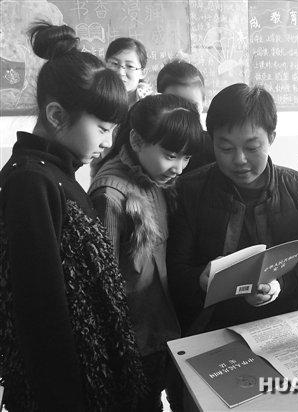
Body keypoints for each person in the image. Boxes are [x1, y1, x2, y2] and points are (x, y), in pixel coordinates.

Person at [0, 21, 144, 411]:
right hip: (68, 391)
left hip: (92, 374)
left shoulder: (56, 172)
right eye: (102, 128)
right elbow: (40, 311)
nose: (107, 142)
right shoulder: (31, 183)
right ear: (57, 115)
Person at [167, 83, 298, 334]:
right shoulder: (190, 190)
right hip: (214, 325)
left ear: (271, 138)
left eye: (252, 147)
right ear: (211, 141)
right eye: (226, 148)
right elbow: (175, 269)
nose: (239, 160)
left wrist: (279, 284)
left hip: (285, 319)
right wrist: (200, 279)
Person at [89, 94, 203, 411]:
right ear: (137, 141)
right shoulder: (111, 195)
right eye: (170, 155)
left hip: (158, 326)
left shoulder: (154, 177)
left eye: (186, 158)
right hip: (132, 339)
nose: (179, 168)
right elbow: (104, 286)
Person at [157, 59, 215, 172]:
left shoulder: (214, 149)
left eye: (193, 106)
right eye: (175, 105)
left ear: (203, 103)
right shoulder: (147, 144)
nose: (185, 113)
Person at [105, 37, 153, 106]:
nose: (120, 72)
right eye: (114, 64)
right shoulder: (95, 100)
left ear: (142, 72)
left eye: (130, 66)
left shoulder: (153, 105)